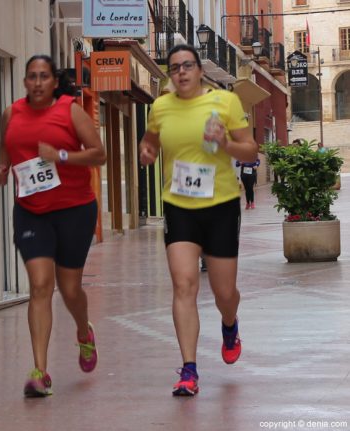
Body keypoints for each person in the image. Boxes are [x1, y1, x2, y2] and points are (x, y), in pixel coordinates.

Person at [139, 44, 258, 396]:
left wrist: (224, 143)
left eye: (187, 65)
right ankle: (189, 369)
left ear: (199, 70)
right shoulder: (160, 107)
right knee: (184, 285)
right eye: (174, 68)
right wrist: (147, 153)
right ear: (170, 75)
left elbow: (250, 150)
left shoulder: (225, 103)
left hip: (219, 204)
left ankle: (229, 322)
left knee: (224, 293)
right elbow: (150, 142)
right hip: (178, 205)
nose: (181, 72)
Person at [0, 54, 106, 397]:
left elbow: (99, 154)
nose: (38, 82)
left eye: (44, 76)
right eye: (32, 77)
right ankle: (39, 371)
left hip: (74, 208)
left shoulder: (71, 110)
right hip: (31, 210)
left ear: (54, 81)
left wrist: (59, 156)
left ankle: (83, 333)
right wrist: (2, 170)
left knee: (69, 288)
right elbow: (7, 150)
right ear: (25, 81)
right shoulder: (11, 113)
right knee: (40, 285)